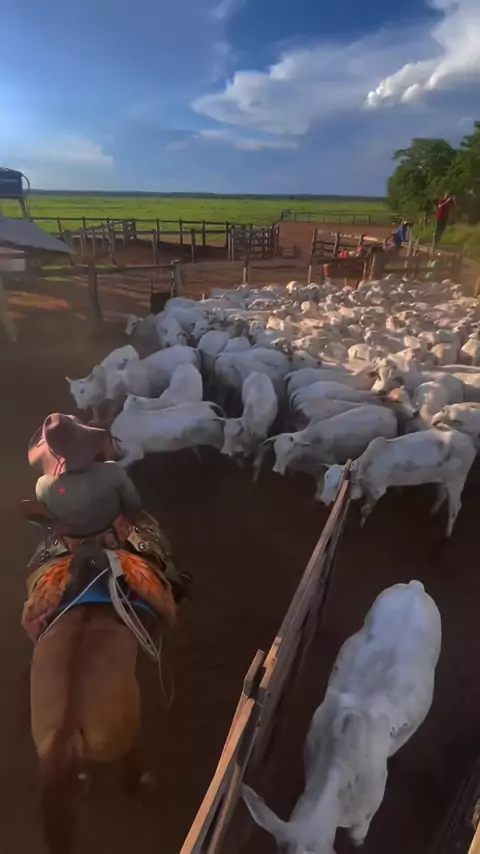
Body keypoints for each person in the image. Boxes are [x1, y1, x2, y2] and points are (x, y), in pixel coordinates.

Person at [28, 412, 141, 538]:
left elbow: (50, 515)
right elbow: (133, 502)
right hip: (110, 526)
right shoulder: (113, 471)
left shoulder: (42, 486)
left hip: (75, 535)